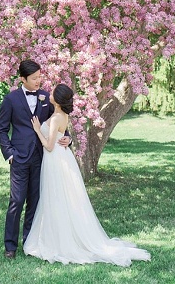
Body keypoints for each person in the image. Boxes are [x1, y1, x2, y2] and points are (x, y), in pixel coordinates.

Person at [23, 84, 151, 266]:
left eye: (52, 93)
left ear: (58, 100)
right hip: (61, 158)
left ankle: (58, 241)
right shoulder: (61, 115)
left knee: (57, 198)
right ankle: (57, 236)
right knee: (60, 198)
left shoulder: (57, 117)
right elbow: (60, 136)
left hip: (55, 159)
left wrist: (37, 129)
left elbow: (49, 146)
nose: (49, 93)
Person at [0, 60, 71, 259]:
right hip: (19, 158)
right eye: (34, 78)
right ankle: (10, 247)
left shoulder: (47, 98)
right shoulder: (10, 99)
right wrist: (10, 154)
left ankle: (29, 242)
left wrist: (68, 138)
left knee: (35, 202)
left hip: (42, 158)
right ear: (23, 79)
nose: (39, 81)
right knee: (17, 201)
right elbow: (2, 130)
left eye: (40, 77)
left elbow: (59, 122)